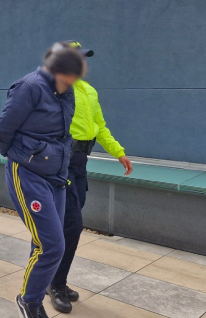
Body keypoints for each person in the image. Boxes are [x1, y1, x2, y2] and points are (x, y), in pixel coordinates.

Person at [0, 43, 84, 318]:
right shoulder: (29, 87)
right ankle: (29, 301)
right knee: (53, 244)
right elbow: (3, 130)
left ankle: (33, 294)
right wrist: (24, 156)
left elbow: (62, 133)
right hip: (28, 173)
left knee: (46, 241)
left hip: (56, 175)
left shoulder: (67, 91)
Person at [47, 42, 133, 313]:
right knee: (71, 224)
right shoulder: (55, 89)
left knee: (66, 223)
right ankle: (55, 284)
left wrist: (118, 152)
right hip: (62, 163)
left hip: (81, 162)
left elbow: (100, 126)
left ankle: (54, 278)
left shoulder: (90, 91)